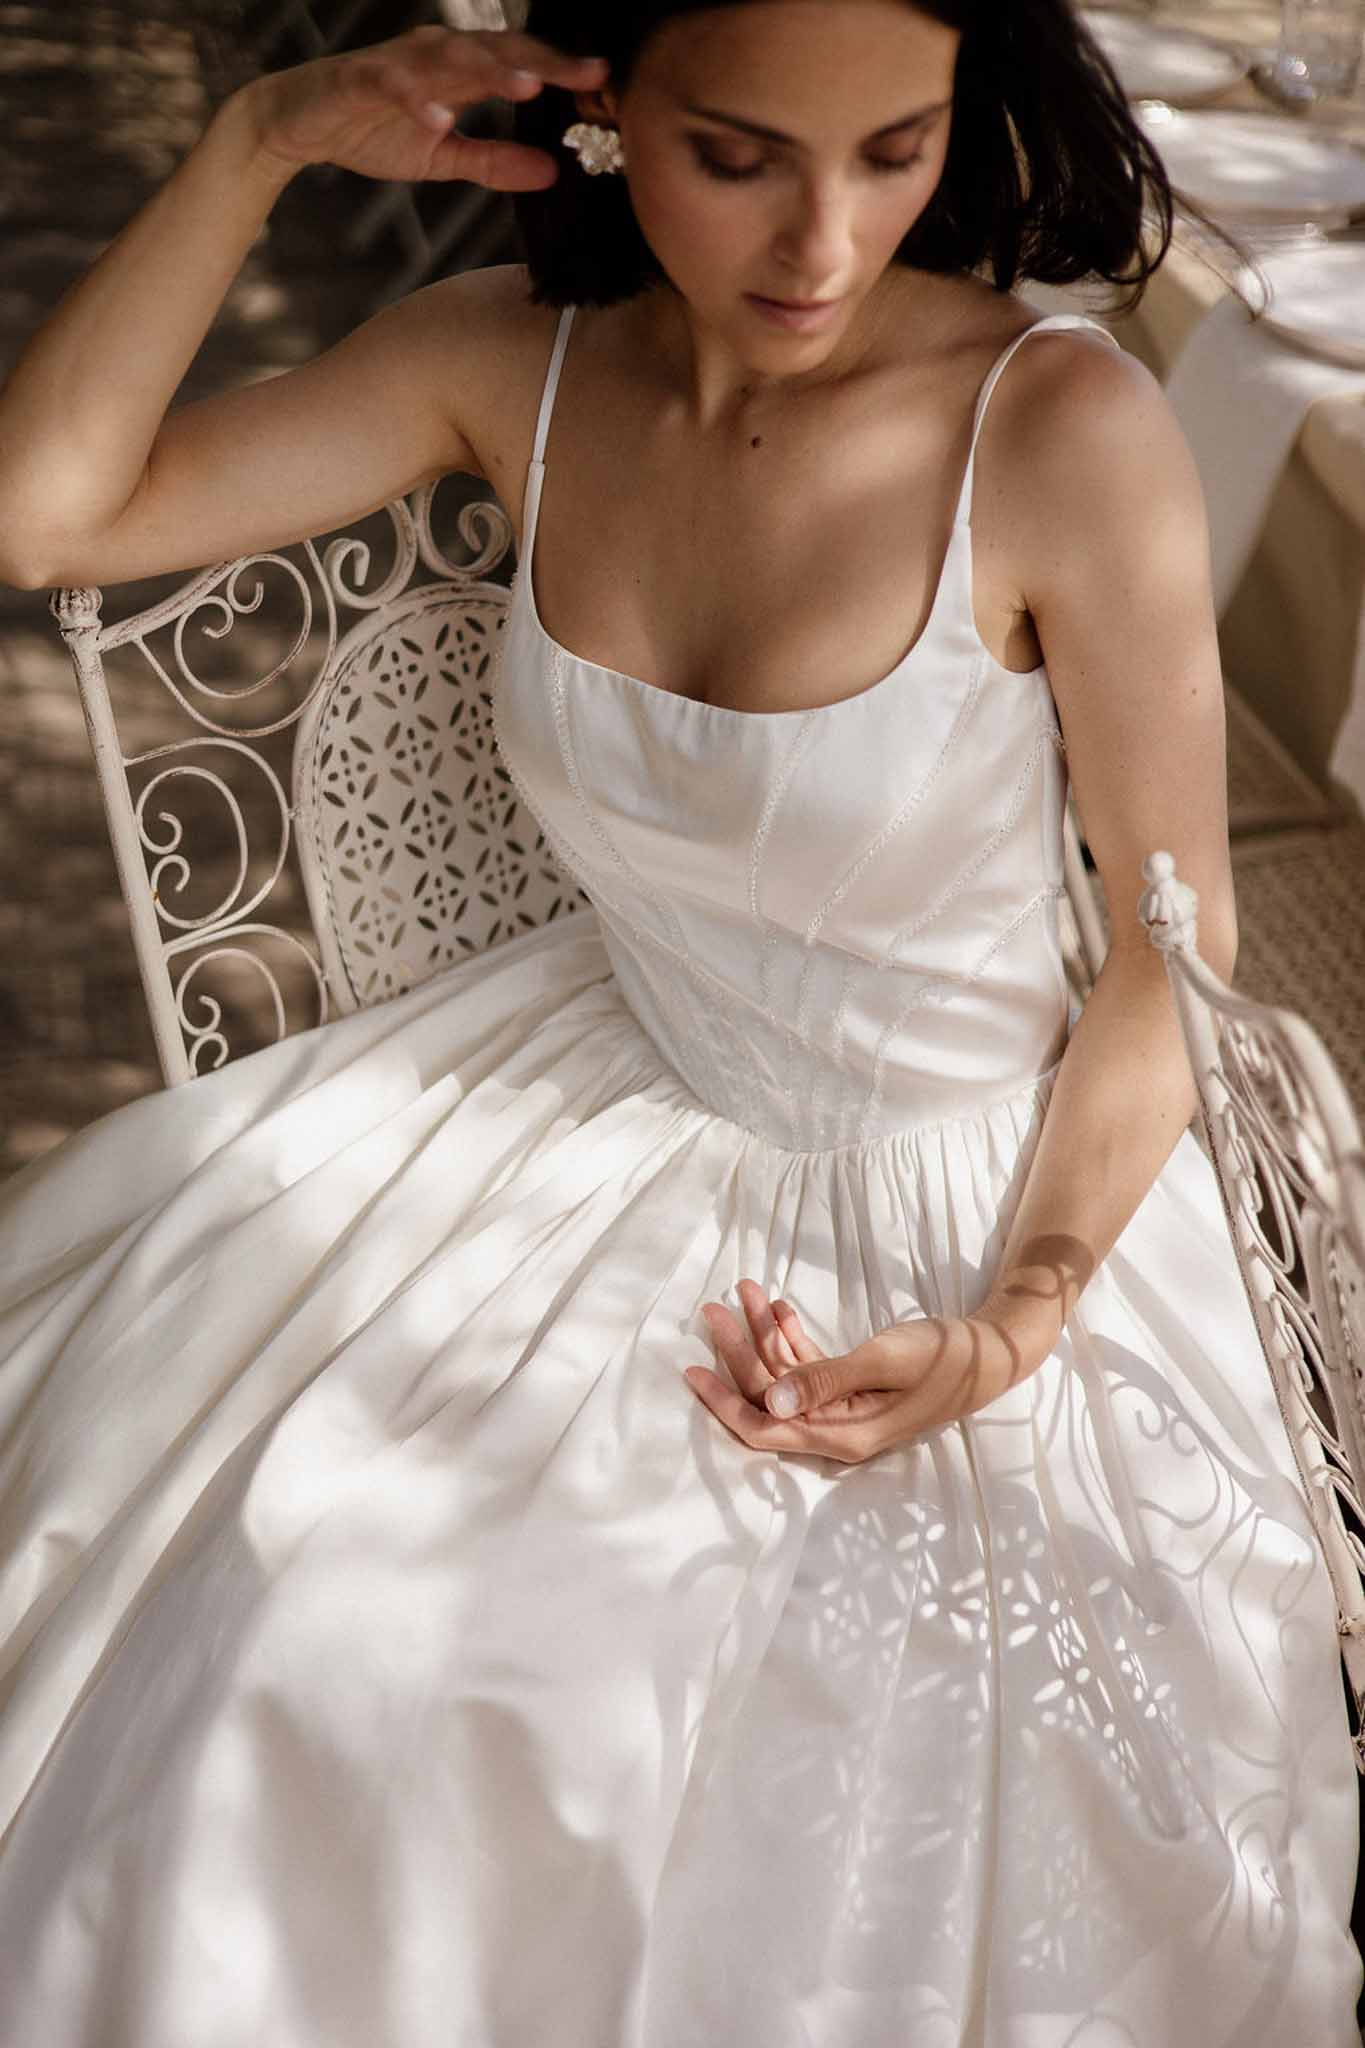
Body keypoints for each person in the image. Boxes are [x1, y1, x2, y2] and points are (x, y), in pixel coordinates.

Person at [0, 2, 1358, 2041]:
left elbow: (1176, 962)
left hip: (999, 1199)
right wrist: (261, 142)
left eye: (892, 152)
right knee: (301, 1653)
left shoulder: (1055, 432)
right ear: (606, 111)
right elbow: (50, 517)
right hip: (593, 1112)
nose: (824, 237)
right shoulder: (503, 368)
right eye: (739, 158)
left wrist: (1016, 1312)